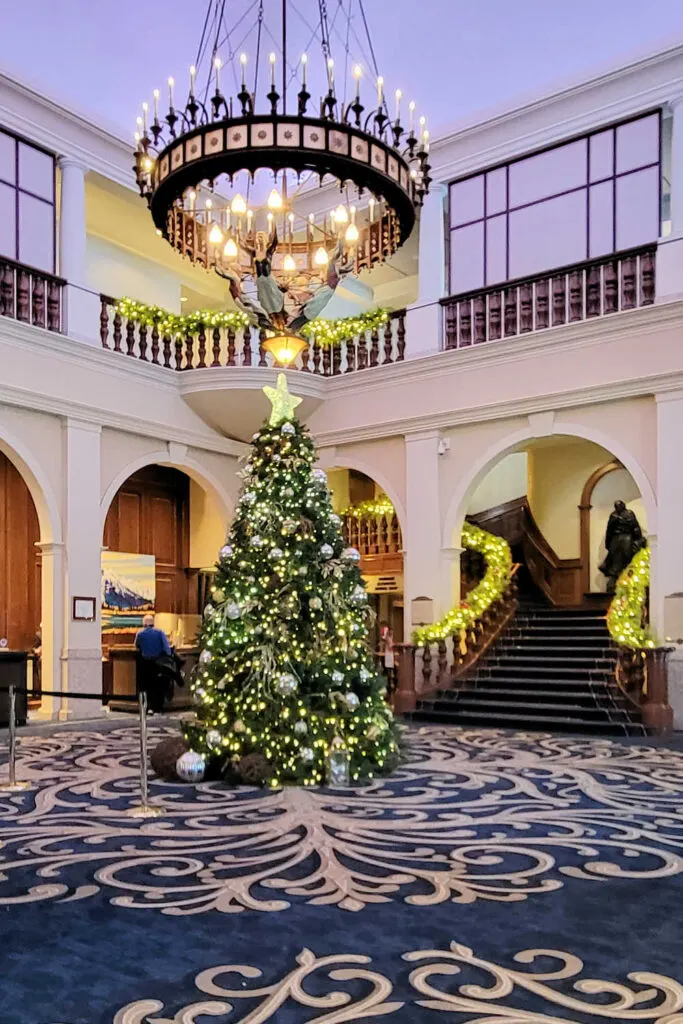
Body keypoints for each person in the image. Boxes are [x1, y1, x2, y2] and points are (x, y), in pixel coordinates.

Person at [599, 500, 646, 593]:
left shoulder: (629, 514)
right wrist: (608, 544)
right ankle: (615, 579)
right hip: (616, 539)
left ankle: (626, 578)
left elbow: (635, 527)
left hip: (627, 539)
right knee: (615, 560)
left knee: (626, 559)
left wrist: (638, 539)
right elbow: (609, 531)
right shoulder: (613, 516)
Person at [135, 614, 174, 714]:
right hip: (158, 663)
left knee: (147, 687)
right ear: (153, 624)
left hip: (145, 664)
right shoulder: (160, 633)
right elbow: (167, 649)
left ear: (144, 624)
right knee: (159, 687)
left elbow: (136, 645)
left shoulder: (140, 634)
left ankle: (148, 708)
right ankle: (157, 708)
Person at [378, 621, 397, 697]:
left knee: (388, 672)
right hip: (386, 655)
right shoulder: (388, 633)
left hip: (388, 655)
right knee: (386, 672)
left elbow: (388, 642)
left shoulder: (388, 633)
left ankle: (389, 689)